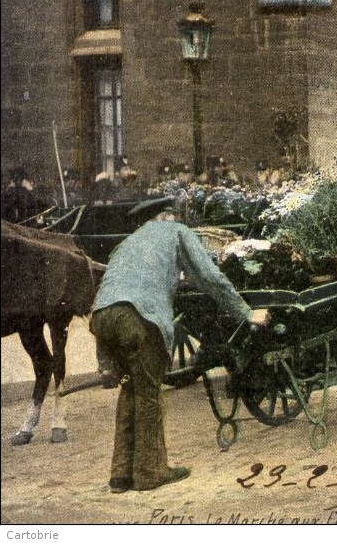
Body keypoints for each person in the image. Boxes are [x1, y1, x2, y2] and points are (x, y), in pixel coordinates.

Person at [90, 196, 270, 493]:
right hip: (137, 317)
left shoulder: (128, 242)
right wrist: (247, 313)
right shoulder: (176, 231)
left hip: (102, 317)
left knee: (130, 388)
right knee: (149, 395)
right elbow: (210, 277)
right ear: (169, 216)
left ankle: (120, 475)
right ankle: (150, 472)